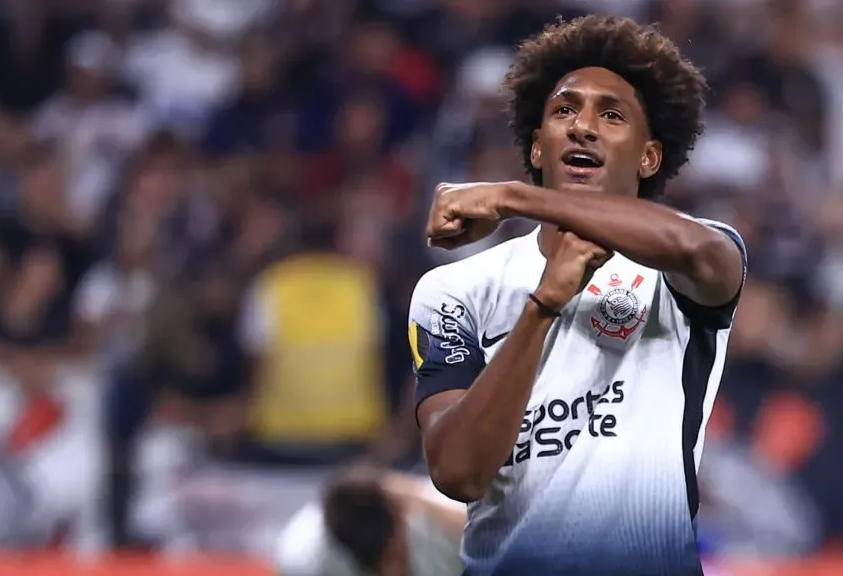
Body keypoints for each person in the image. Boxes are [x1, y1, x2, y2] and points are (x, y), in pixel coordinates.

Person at [409, 16, 746, 576]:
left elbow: (695, 248)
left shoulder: (684, 263)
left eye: (611, 115)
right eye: (564, 110)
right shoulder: (455, 288)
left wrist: (512, 197)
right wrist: (543, 305)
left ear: (649, 157)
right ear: (538, 147)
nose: (583, 127)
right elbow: (458, 472)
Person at [274, 468, 465, 576]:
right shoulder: (304, 559)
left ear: (400, 516)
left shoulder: (444, 523)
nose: (389, 573)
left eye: (394, 556)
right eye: (374, 566)